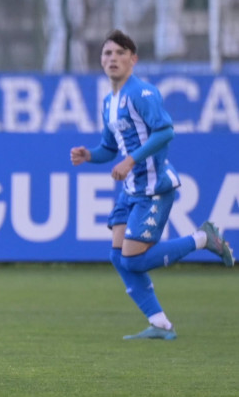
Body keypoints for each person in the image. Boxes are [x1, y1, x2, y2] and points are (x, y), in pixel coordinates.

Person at [70, 30, 234, 340]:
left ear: (134, 59)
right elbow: (109, 147)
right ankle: (159, 324)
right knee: (118, 257)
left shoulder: (142, 93)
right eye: (107, 54)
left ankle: (203, 238)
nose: (112, 59)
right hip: (131, 189)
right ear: (100, 60)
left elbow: (165, 132)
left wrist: (130, 160)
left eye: (120, 53)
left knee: (134, 258)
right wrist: (89, 155)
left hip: (154, 187)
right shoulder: (109, 101)